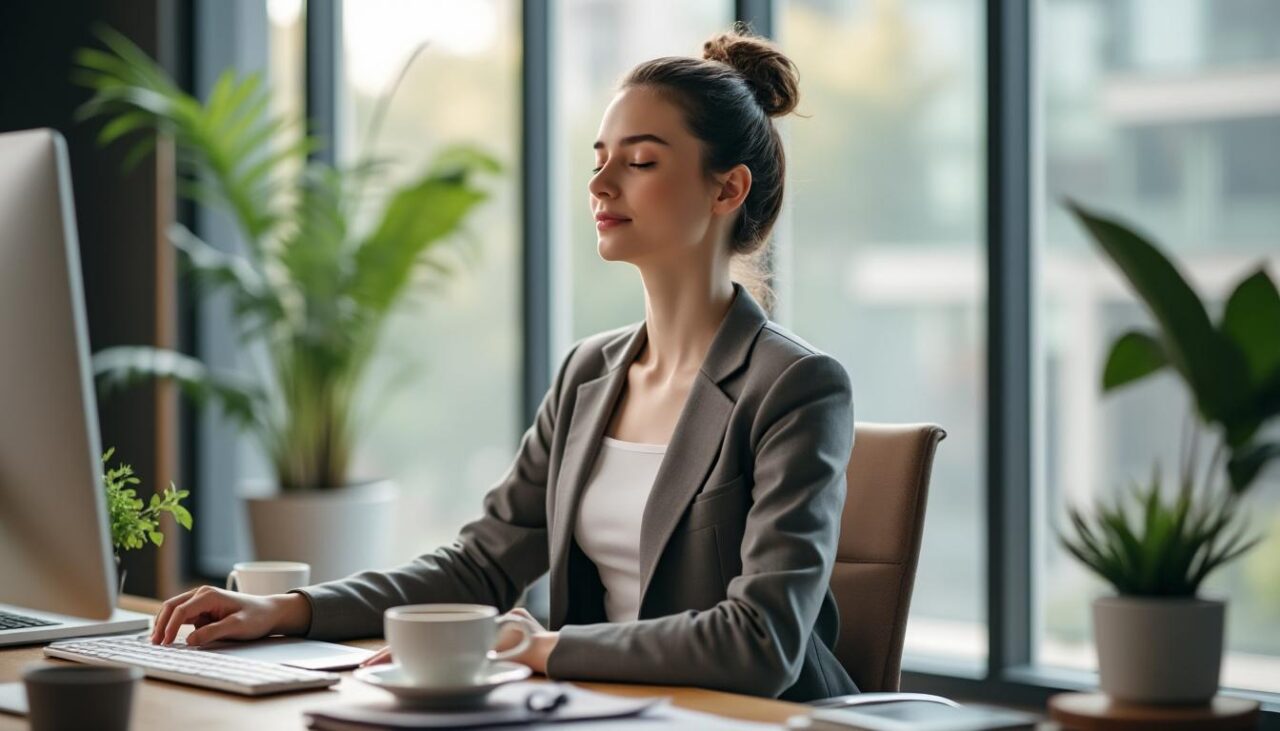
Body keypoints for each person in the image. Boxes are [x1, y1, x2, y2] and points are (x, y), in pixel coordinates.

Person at [148, 26, 858, 702]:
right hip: (607, 708)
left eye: (640, 162)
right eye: (598, 159)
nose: (601, 183)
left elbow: (762, 641)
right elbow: (479, 566)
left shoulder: (794, 387)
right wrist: (288, 608)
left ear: (727, 189)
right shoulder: (589, 374)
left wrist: (537, 646)